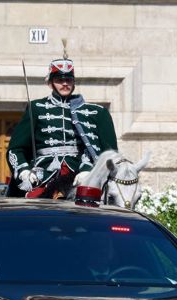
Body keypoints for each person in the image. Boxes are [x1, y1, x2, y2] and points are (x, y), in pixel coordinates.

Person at [7, 57, 118, 204]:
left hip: (80, 171)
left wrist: (87, 169)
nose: (65, 83)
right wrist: (24, 171)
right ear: (50, 83)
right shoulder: (36, 108)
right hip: (44, 172)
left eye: (69, 80)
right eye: (59, 79)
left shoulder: (95, 112)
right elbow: (15, 149)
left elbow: (105, 152)